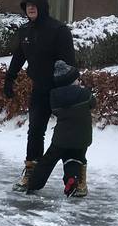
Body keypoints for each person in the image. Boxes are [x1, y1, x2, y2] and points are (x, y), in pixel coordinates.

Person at [3, 0, 76, 191]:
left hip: (62, 90)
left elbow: (70, 63)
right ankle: (31, 171)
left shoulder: (59, 30)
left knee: (68, 135)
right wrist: (10, 78)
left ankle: (75, 178)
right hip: (40, 90)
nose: (30, 8)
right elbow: (19, 56)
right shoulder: (25, 31)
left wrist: (63, 83)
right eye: (27, 6)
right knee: (35, 130)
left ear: (43, 7)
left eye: (34, 5)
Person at [20, 61, 93, 196]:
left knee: (47, 162)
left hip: (61, 139)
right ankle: (73, 181)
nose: (79, 81)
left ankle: (33, 183)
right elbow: (93, 103)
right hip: (83, 137)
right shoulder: (85, 93)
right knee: (74, 159)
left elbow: (55, 111)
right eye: (77, 79)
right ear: (73, 80)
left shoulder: (54, 96)